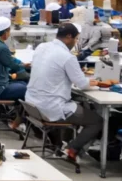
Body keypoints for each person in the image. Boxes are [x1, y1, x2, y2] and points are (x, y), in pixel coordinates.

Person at [26, 23, 100, 163]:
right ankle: (71, 149)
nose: (76, 43)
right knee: (96, 121)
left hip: (32, 104)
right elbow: (82, 84)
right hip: (50, 108)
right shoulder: (67, 57)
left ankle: (62, 143)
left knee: (75, 105)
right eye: (76, 39)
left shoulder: (42, 47)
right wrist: (94, 82)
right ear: (68, 37)